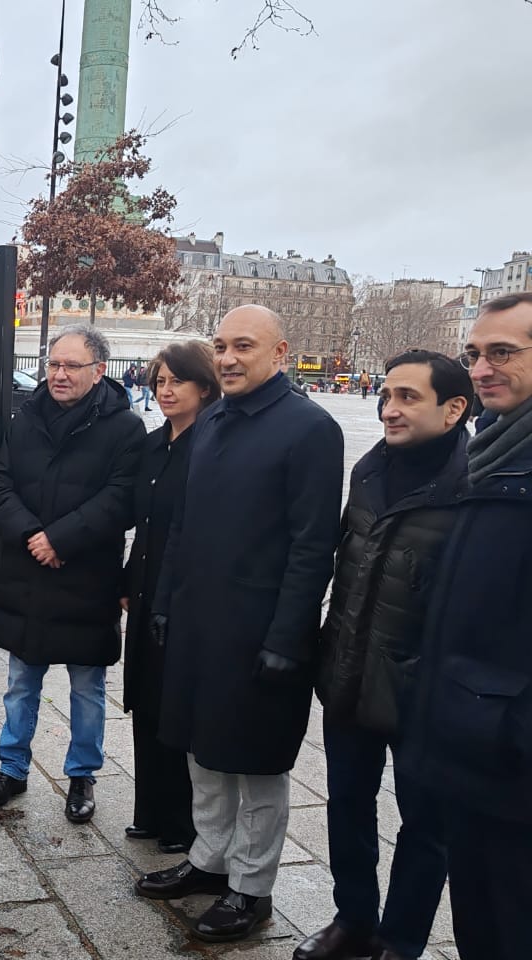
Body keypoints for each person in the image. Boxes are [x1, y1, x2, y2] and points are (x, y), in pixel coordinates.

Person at [135, 305, 343, 942]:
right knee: (203, 748)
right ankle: (209, 858)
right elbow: (185, 525)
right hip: (198, 621)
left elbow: (313, 546)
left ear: (280, 353)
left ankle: (251, 888)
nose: (227, 357)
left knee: (254, 762)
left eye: (243, 346)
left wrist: (287, 637)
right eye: (220, 345)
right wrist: (166, 599)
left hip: (258, 628)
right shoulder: (214, 418)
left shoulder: (310, 429)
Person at [296, 350, 470, 960]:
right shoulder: (369, 470)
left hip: (423, 693)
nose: (389, 408)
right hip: (349, 669)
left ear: (454, 409)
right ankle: (354, 920)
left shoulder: (471, 485)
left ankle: (400, 942)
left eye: (407, 398)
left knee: (425, 825)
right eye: (387, 395)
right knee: (346, 805)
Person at [402, 293, 532, 960]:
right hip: (470, 746)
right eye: (474, 353)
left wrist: (506, 728)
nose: (481, 368)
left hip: (507, 761)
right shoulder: (493, 454)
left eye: (503, 352)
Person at [0, 324, 144, 824]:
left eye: (71, 365)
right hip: (27, 574)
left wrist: (62, 539)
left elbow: (121, 499)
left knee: (86, 688)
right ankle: (12, 769)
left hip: (85, 577)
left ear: (99, 371)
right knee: (19, 683)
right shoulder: (25, 418)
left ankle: (82, 775)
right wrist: (33, 534)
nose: (59, 374)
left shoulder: (125, 428)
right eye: (53, 364)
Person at [121, 341, 219, 853]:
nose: (165, 390)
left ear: (204, 386)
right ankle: (151, 809)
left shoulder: (210, 444)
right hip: (143, 582)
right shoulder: (154, 444)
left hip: (182, 590)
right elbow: (143, 522)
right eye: (160, 381)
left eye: (177, 381)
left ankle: (183, 822)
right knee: (145, 700)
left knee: (176, 703)